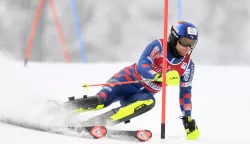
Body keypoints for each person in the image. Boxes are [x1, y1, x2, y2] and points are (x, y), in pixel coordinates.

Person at [62, 20, 200, 140]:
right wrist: (155, 76)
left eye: (191, 44)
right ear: (175, 38)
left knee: (149, 102)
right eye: (184, 42)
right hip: (125, 81)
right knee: (102, 101)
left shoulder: (187, 66)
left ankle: (97, 122)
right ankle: (61, 110)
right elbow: (143, 63)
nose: (187, 48)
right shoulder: (159, 46)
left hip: (139, 95)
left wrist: (187, 119)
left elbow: (185, 93)